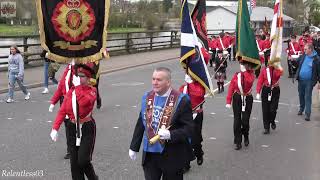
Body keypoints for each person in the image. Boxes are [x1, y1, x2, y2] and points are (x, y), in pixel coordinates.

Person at [129, 67, 193, 180]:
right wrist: (134, 146)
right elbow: (141, 122)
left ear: (168, 82)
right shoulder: (147, 97)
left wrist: (171, 135)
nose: (155, 82)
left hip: (172, 154)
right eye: (153, 79)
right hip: (150, 153)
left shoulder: (182, 100)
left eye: (159, 80)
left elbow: (189, 129)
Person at [50, 64, 98, 180]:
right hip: (72, 127)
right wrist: (55, 128)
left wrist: (77, 88)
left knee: (83, 160)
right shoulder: (72, 91)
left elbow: (84, 103)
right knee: (74, 165)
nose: (78, 78)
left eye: (82, 76)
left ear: (88, 78)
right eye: (77, 75)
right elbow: (63, 110)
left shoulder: (92, 91)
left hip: (86, 127)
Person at [49, 62, 75, 159]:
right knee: (68, 126)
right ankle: (70, 150)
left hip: (75, 101)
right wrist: (53, 102)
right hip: (65, 100)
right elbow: (60, 87)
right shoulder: (68, 68)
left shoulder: (79, 68)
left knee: (76, 126)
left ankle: (77, 147)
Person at [226, 62, 255, 150]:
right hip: (237, 98)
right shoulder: (237, 75)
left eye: (244, 64)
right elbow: (231, 87)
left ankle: (246, 136)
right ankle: (238, 141)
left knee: (245, 121)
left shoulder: (251, 74)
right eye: (242, 64)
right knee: (237, 120)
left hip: (247, 97)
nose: (242, 66)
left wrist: (245, 72)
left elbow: (249, 82)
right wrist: (228, 100)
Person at [179, 74, 205, 168]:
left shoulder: (200, 86)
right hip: (186, 116)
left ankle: (199, 153)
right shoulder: (183, 88)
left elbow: (199, 95)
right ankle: (186, 164)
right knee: (185, 139)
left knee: (195, 139)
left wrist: (191, 84)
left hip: (196, 115)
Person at [295, 43, 320, 121]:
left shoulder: (316, 59)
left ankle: (307, 114)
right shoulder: (303, 56)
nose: (304, 50)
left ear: (310, 49)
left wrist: (319, 82)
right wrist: (292, 59)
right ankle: (301, 109)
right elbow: (297, 62)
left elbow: (319, 71)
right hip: (301, 80)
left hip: (309, 81)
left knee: (307, 97)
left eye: (305, 49)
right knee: (301, 95)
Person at [256, 65, 283, 134]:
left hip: (275, 89)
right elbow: (260, 81)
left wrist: (277, 67)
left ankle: (272, 120)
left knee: (273, 109)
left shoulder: (277, 68)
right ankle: (266, 127)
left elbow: (280, 74)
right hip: (266, 89)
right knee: (265, 110)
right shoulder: (264, 70)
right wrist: (258, 92)